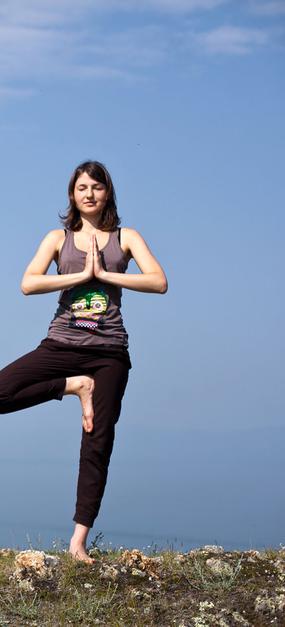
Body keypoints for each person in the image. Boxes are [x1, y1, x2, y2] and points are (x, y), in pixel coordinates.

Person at [0, 160, 168, 563]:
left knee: (98, 440)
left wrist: (106, 276)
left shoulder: (126, 237)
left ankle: (78, 540)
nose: (89, 194)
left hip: (109, 351)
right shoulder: (58, 239)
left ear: (107, 192)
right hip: (61, 343)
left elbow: (158, 281)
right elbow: (28, 282)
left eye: (96, 187)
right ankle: (72, 386)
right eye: (81, 188)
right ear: (72, 196)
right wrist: (79, 276)